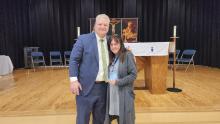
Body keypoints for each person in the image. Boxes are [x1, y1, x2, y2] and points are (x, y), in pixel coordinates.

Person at [69, 14, 110, 124]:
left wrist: (129, 54)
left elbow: (119, 56)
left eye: (105, 25)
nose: (102, 27)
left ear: (108, 27)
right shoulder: (83, 39)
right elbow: (73, 60)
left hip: (104, 88)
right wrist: (73, 80)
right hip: (85, 88)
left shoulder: (111, 41)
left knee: (100, 120)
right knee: (82, 120)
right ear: (94, 25)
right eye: (100, 24)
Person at [104, 35, 137, 124]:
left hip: (124, 92)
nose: (114, 46)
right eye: (111, 44)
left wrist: (118, 82)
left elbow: (133, 75)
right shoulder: (111, 57)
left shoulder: (127, 55)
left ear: (121, 44)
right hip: (112, 92)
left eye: (116, 44)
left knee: (125, 118)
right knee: (114, 114)